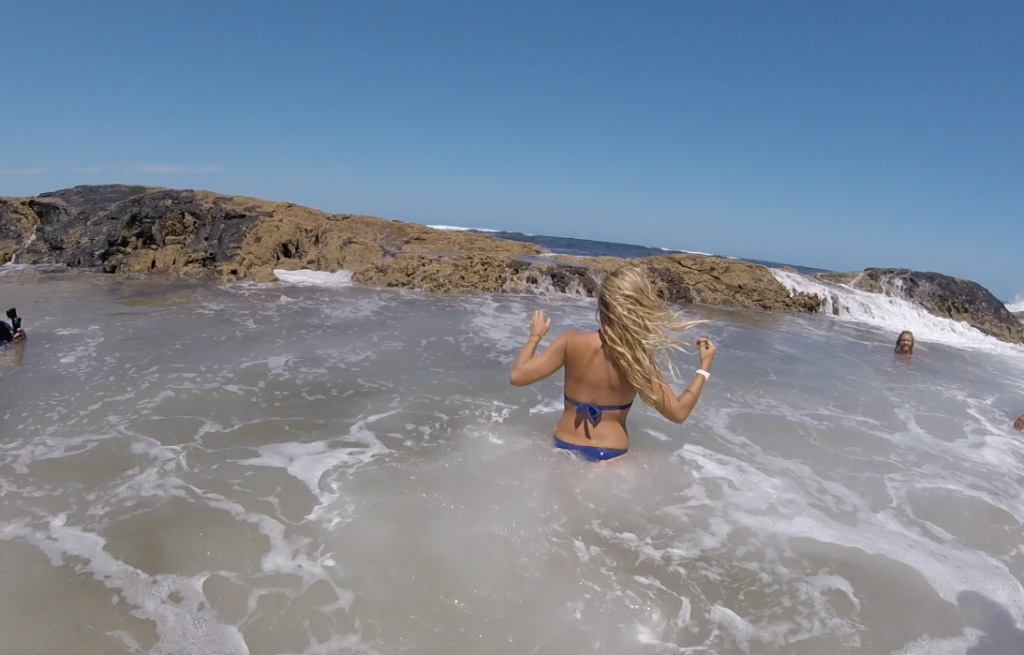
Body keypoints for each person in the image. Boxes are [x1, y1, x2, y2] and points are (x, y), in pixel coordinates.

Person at [509, 265, 716, 462]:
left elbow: (518, 376)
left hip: (563, 446)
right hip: (610, 455)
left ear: (601, 304)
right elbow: (678, 413)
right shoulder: (636, 358)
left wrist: (535, 336)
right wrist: (704, 366)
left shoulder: (570, 341)